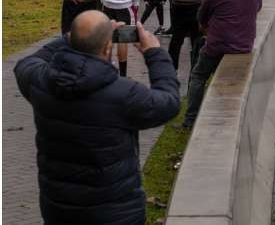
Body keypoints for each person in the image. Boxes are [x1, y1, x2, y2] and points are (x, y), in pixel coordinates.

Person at [13, 12, 179, 224]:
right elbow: (169, 102)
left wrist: (73, 38)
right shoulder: (124, 94)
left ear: (71, 40)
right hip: (114, 213)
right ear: (107, 48)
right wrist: (154, 53)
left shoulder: (41, 82)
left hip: (59, 209)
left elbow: (27, 62)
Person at [183, 0, 262, 128]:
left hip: (218, 44)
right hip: (243, 44)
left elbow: (202, 15)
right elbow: (257, 8)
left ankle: (190, 119)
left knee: (198, 75)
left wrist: (206, 26)